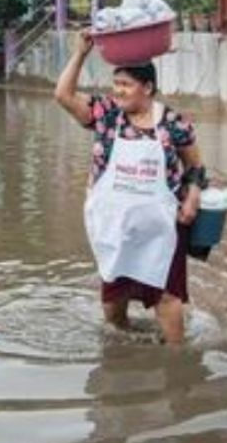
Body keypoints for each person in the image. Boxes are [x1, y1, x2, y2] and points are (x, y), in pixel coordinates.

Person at [55, 30, 206, 345]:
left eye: (126, 85)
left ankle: (178, 360)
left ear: (148, 87)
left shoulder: (173, 124)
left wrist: (192, 199)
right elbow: (63, 96)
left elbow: (195, 167)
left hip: (162, 227)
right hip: (116, 226)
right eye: (116, 84)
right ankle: (123, 350)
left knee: (166, 296)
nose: (118, 92)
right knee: (113, 304)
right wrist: (81, 53)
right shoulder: (106, 116)